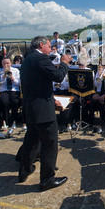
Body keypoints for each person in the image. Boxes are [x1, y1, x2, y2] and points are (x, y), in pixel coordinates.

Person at [18, 35, 72, 191]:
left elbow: (37, 83)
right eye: (49, 46)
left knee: (31, 140)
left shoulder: (28, 59)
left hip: (31, 107)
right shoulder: (42, 59)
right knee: (50, 143)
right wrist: (63, 63)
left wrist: (51, 96)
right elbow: (58, 77)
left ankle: (24, 172)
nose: (50, 48)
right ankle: (47, 180)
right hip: (43, 111)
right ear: (41, 45)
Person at [0, 56, 21, 129]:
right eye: (4, 63)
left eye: (7, 63)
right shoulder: (0, 72)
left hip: (14, 89)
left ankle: (14, 119)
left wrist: (12, 78)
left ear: (11, 63)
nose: (6, 65)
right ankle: (6, 121)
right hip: (4, 90)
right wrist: (4, 77)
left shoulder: (16, 71)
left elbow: (18, 83)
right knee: (4, 102)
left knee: (15, 101)